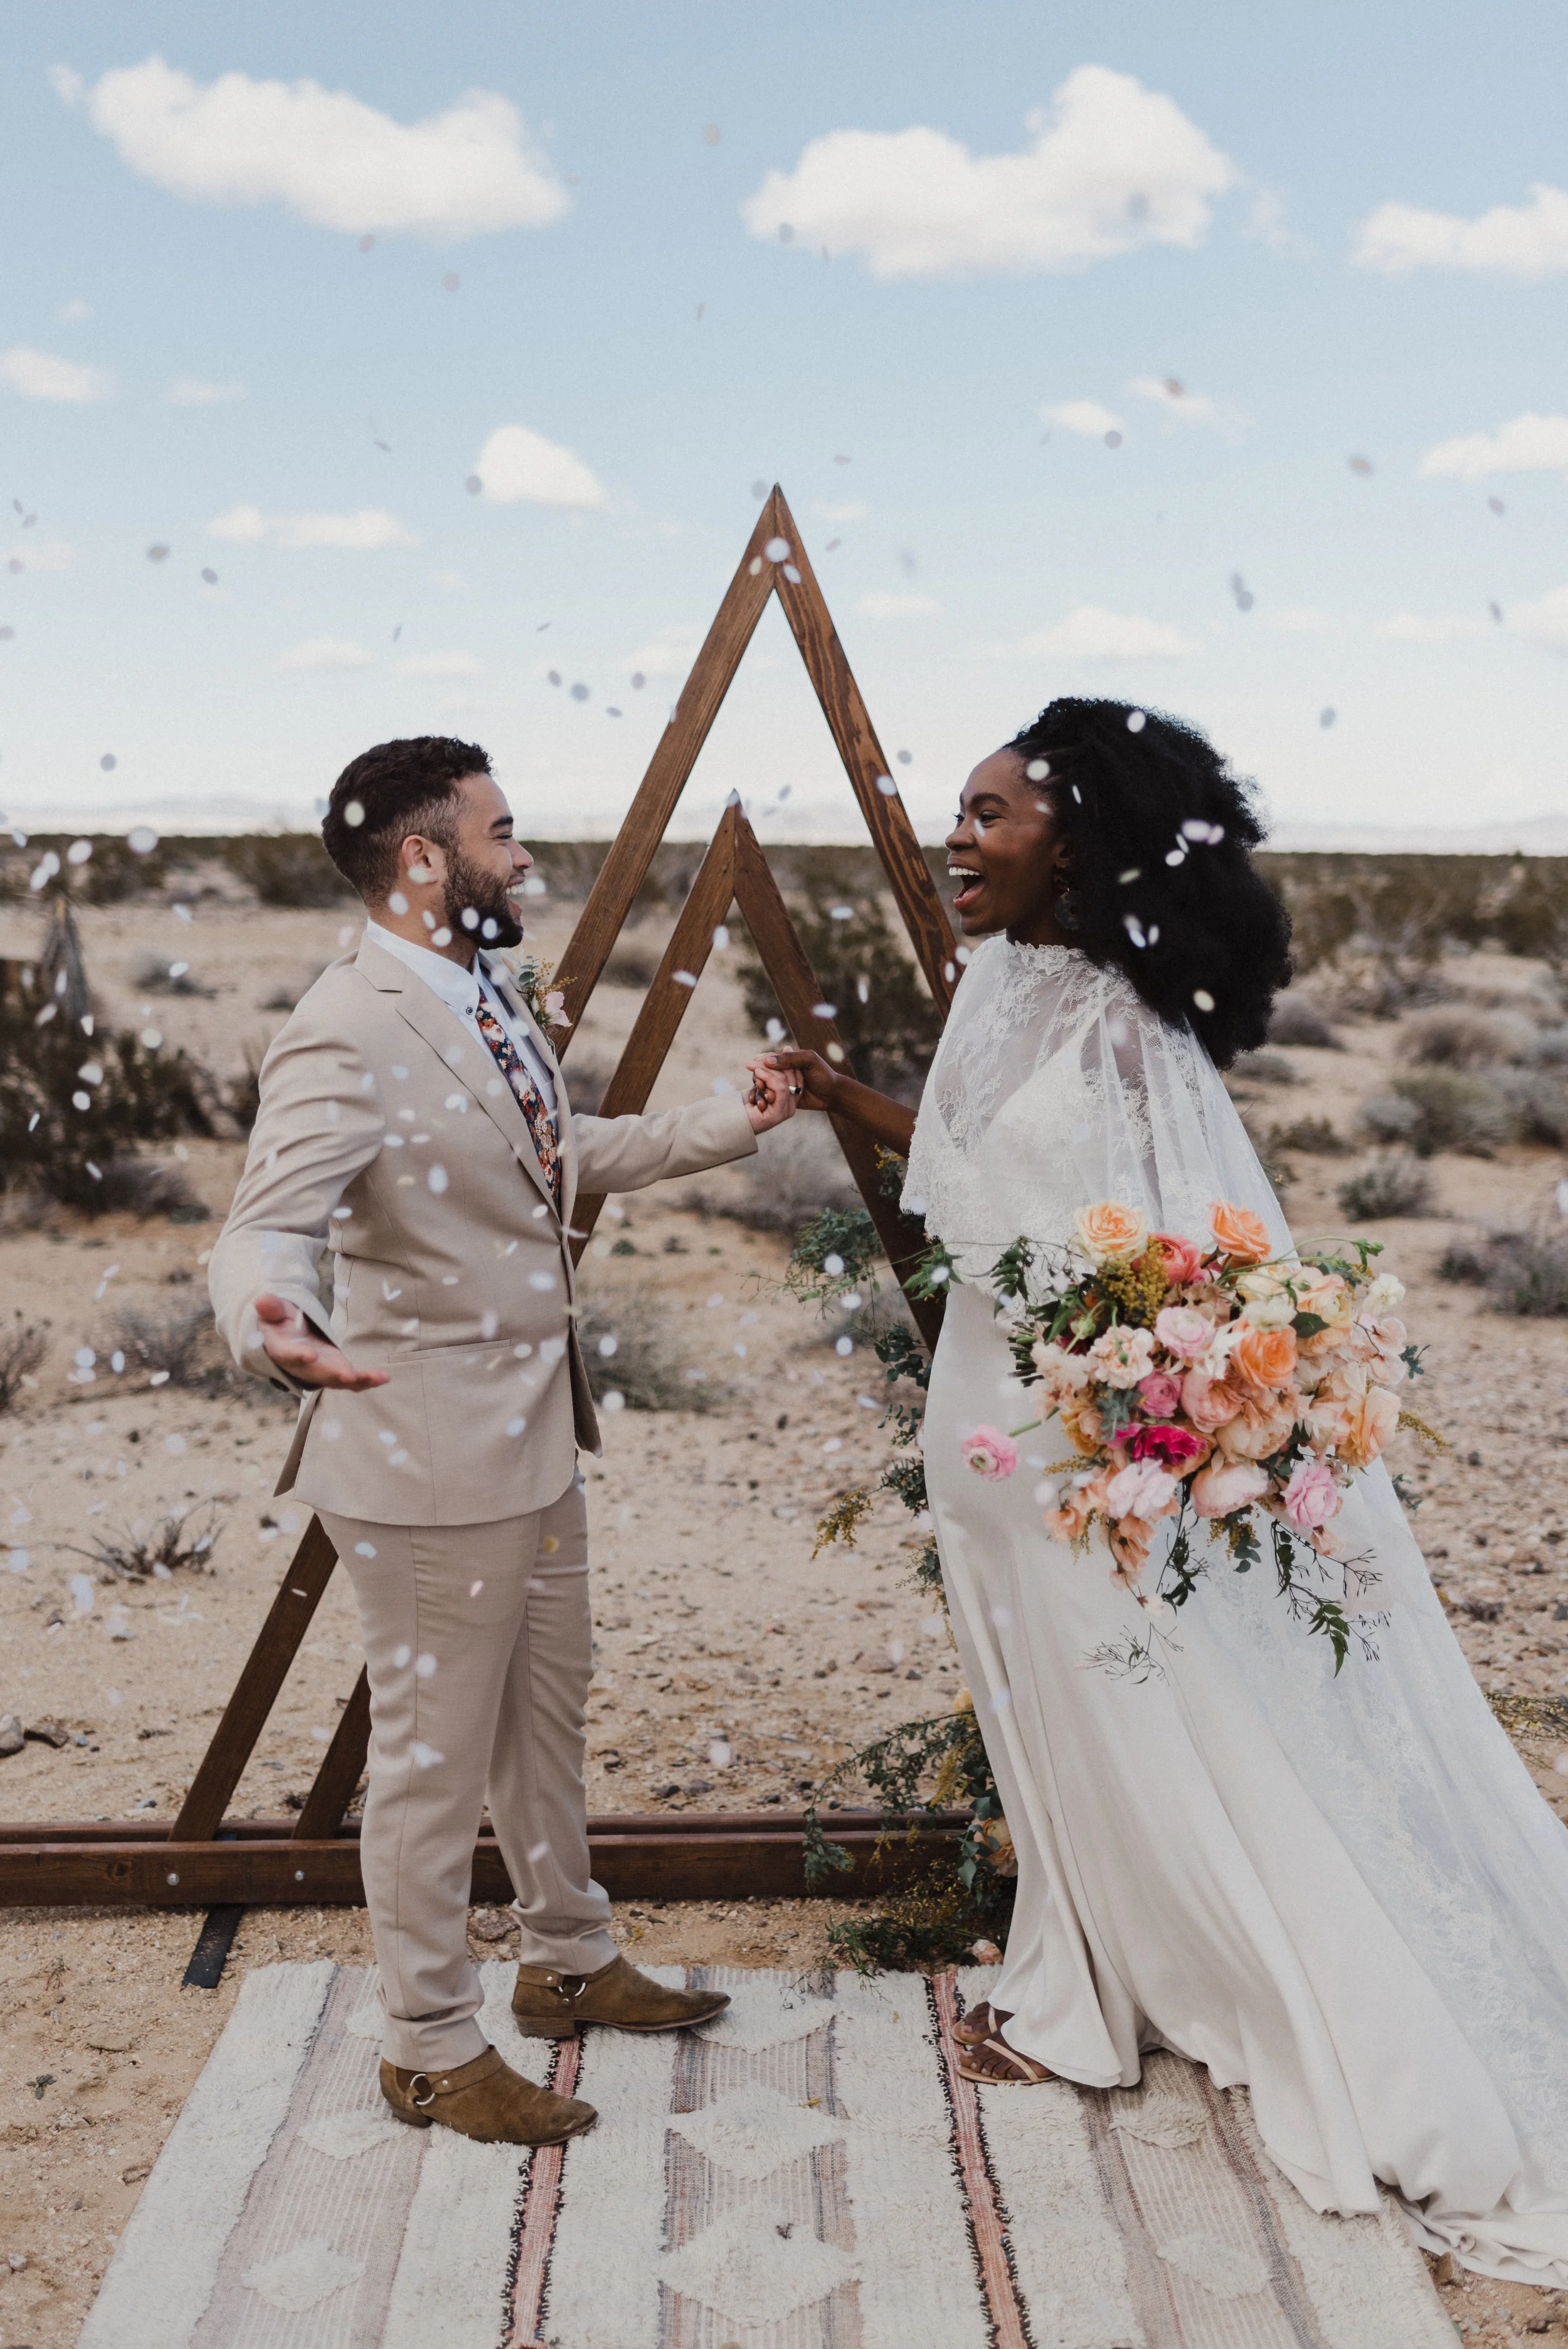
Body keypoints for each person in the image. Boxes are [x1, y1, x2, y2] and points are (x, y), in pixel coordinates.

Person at [765, 697, 1568, 2285]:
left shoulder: (1132, 1026)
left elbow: (1183, 1254)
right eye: (959, 811)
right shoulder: (1001, 984)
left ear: (1078, 836)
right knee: (1053, 1711)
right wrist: (837, 1094)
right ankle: (1095, 1975)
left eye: (988, 814)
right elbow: (961, 1170)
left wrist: (1177, 1408)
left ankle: (1160, 2003)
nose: (957, 840)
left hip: (1079, 1441)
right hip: (985, 1413)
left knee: (1142, 1704)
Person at [209, 735, 797, 2148]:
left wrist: (729, 1122)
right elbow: (265, 1226)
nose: (524, 854)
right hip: (420, 1458)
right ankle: (423, 2044)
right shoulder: (344, 1026)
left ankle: (568, 1962)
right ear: (424, 859)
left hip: (535, 1438)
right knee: (426, 1759)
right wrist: (269, 1320)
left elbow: (551, 1156)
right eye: (502, 830)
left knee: (544, 1722)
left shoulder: (478, 992)